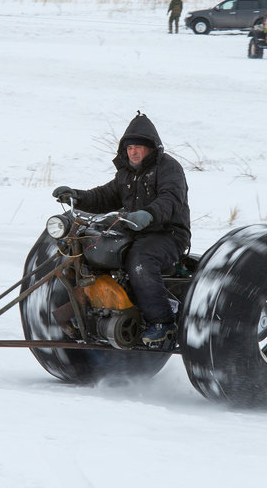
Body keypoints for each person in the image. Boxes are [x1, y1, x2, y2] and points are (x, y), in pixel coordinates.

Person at [52, 111, 191, 346]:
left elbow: (170, 200)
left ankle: (163, 322)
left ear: (151, 148)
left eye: (138, 146)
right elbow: (105, 196)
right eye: (129, 148)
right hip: (134, 231)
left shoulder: (168, 168)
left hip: (168, 234)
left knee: (140, 261)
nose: (133, 152)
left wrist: (149, 214)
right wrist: (77, 196)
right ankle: (89, 312)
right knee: (93, 253)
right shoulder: (127, 173)